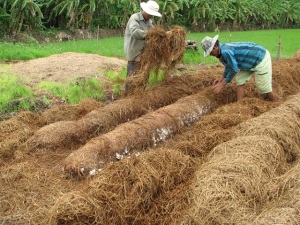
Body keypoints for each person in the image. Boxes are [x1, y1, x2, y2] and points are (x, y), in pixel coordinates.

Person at [201, 35, 277, 101]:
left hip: (260, 58)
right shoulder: (222, 50)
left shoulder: (225, 52)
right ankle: (239, 104)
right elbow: (229, 65)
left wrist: (222, 84)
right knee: (240, 80)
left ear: (216, 46)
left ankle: (276, 104)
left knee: (264, 88)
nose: (210, 54)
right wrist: (222, 77)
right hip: (248, 62)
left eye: (210, 52)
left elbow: (234, 69)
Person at [124, 0, 161, 94]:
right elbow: (135, 32)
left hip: (144, 54)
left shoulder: (149, 22)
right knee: (132, 77)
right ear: (146, 11)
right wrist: (150, 33)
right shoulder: (135, 18)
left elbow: (154, 31)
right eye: (151, 14)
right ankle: (128, 97)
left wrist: (162, 34)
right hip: (134, 53)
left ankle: (140, 96)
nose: (152, 16)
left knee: (143, 77)